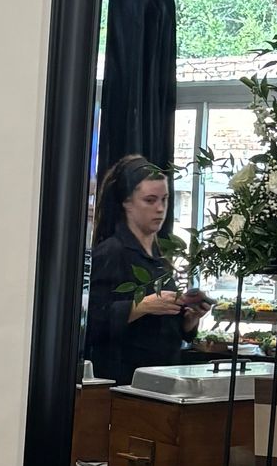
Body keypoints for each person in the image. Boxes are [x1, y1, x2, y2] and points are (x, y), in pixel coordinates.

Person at [85, 155, 208, 385]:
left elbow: (164, 329)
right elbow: (91, 321)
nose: (160, 209)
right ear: (127, 202)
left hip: (163, 379)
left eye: (165, 199)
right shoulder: (110, 252)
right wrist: (142, 306)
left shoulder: (161, 256)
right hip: (123, 383)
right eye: (150, 200)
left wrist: (189, 320)